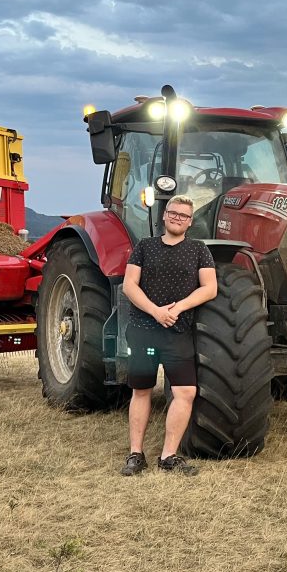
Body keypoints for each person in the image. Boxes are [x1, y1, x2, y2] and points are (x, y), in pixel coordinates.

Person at [120, 195, 217, 476]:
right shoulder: (145, 247)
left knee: (185, 392)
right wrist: (155, 311)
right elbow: (129, 285)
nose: (177, 218)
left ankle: (168, 455)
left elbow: (209, 288)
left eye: (184, 216)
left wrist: (178, 308)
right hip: (145, 332)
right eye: (173, 213)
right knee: (142, 389)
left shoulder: (198, 250)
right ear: (164, 216)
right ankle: (136, 454)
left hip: (177, 332)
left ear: (190, 221)